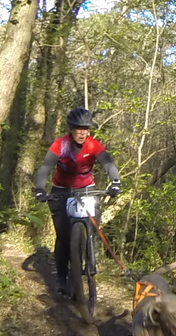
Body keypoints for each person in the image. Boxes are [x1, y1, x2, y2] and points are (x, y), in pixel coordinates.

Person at [33, 106, 120, 297]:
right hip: (61, 190)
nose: (82, 133)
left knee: (93, 226)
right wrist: (39, 188)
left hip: (86, 189)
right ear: (71, 129)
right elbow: (46, 167)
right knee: (63, 236)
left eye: (85, 129)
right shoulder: (61, 145)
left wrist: (115, 182)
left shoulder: (93, 145)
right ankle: (62, 277)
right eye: (78, 129)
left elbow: (108, 164)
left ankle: (90, 262)